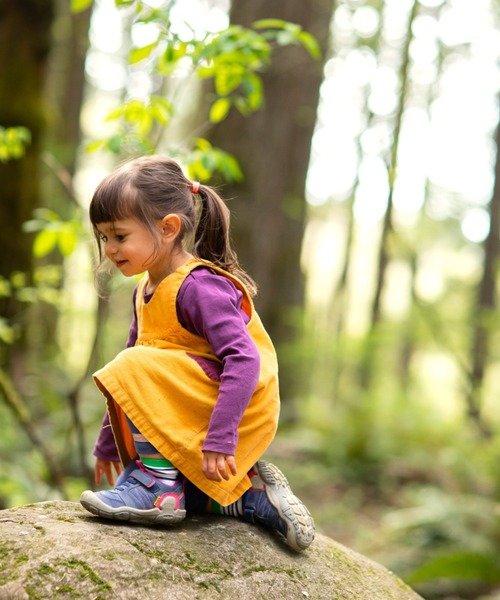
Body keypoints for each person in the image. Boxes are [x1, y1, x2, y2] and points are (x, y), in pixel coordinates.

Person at [80, 155, 315, 552]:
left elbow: (244, 360)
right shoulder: (146, 291)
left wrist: (220, 440)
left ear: (169, 228)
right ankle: (250, 499)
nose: (110, 248)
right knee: (134, 363)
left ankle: (156, 485)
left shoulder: (198, 287)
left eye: (119, 235)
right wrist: (107, 443)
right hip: (198, 399)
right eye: (104, 237)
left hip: (238, 405)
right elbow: (133, 384)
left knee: (132, 363)